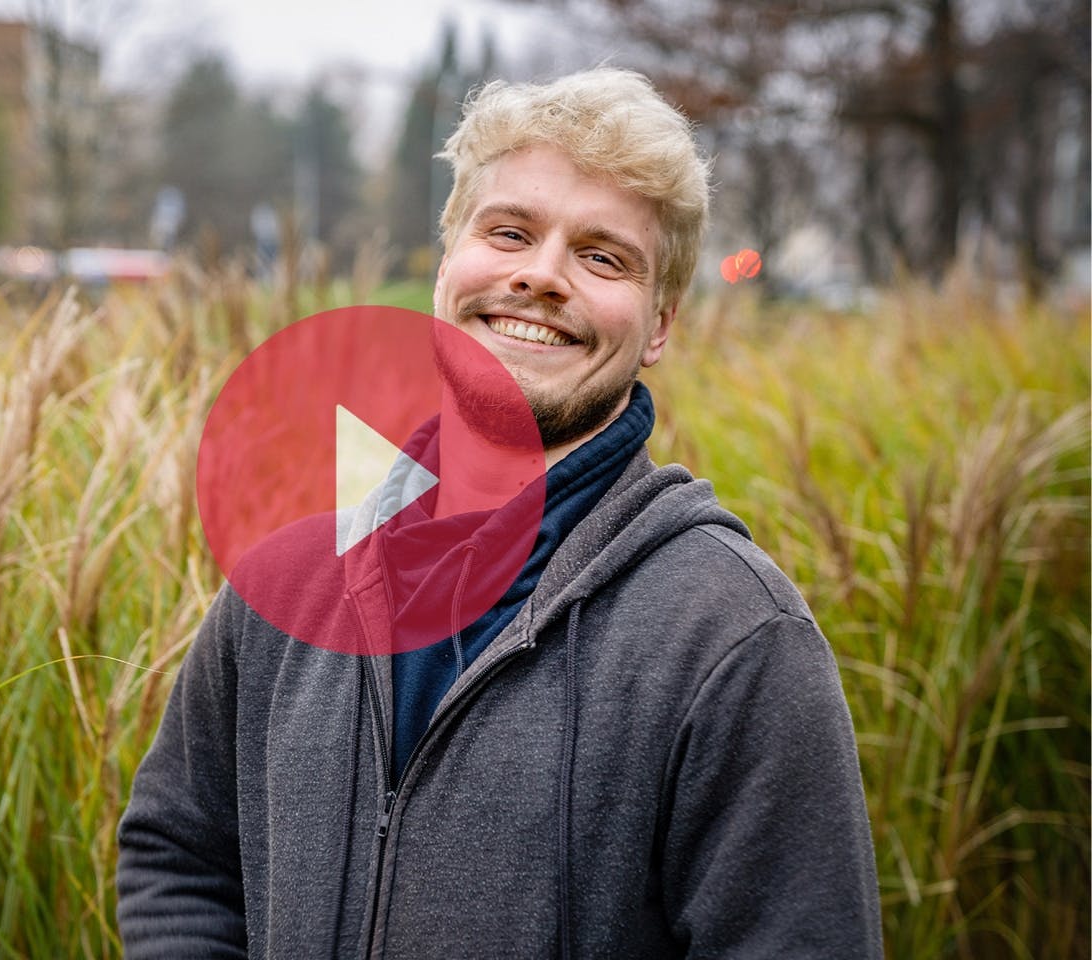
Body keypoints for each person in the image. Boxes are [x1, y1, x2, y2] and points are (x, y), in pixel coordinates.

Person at [117, 68, 882, 959]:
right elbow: (181, 854)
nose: (540, 276)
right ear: (448, 266)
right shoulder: (285, 583)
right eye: (510, 232)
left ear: (661, 324)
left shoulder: (734, 637)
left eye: (602, 256)